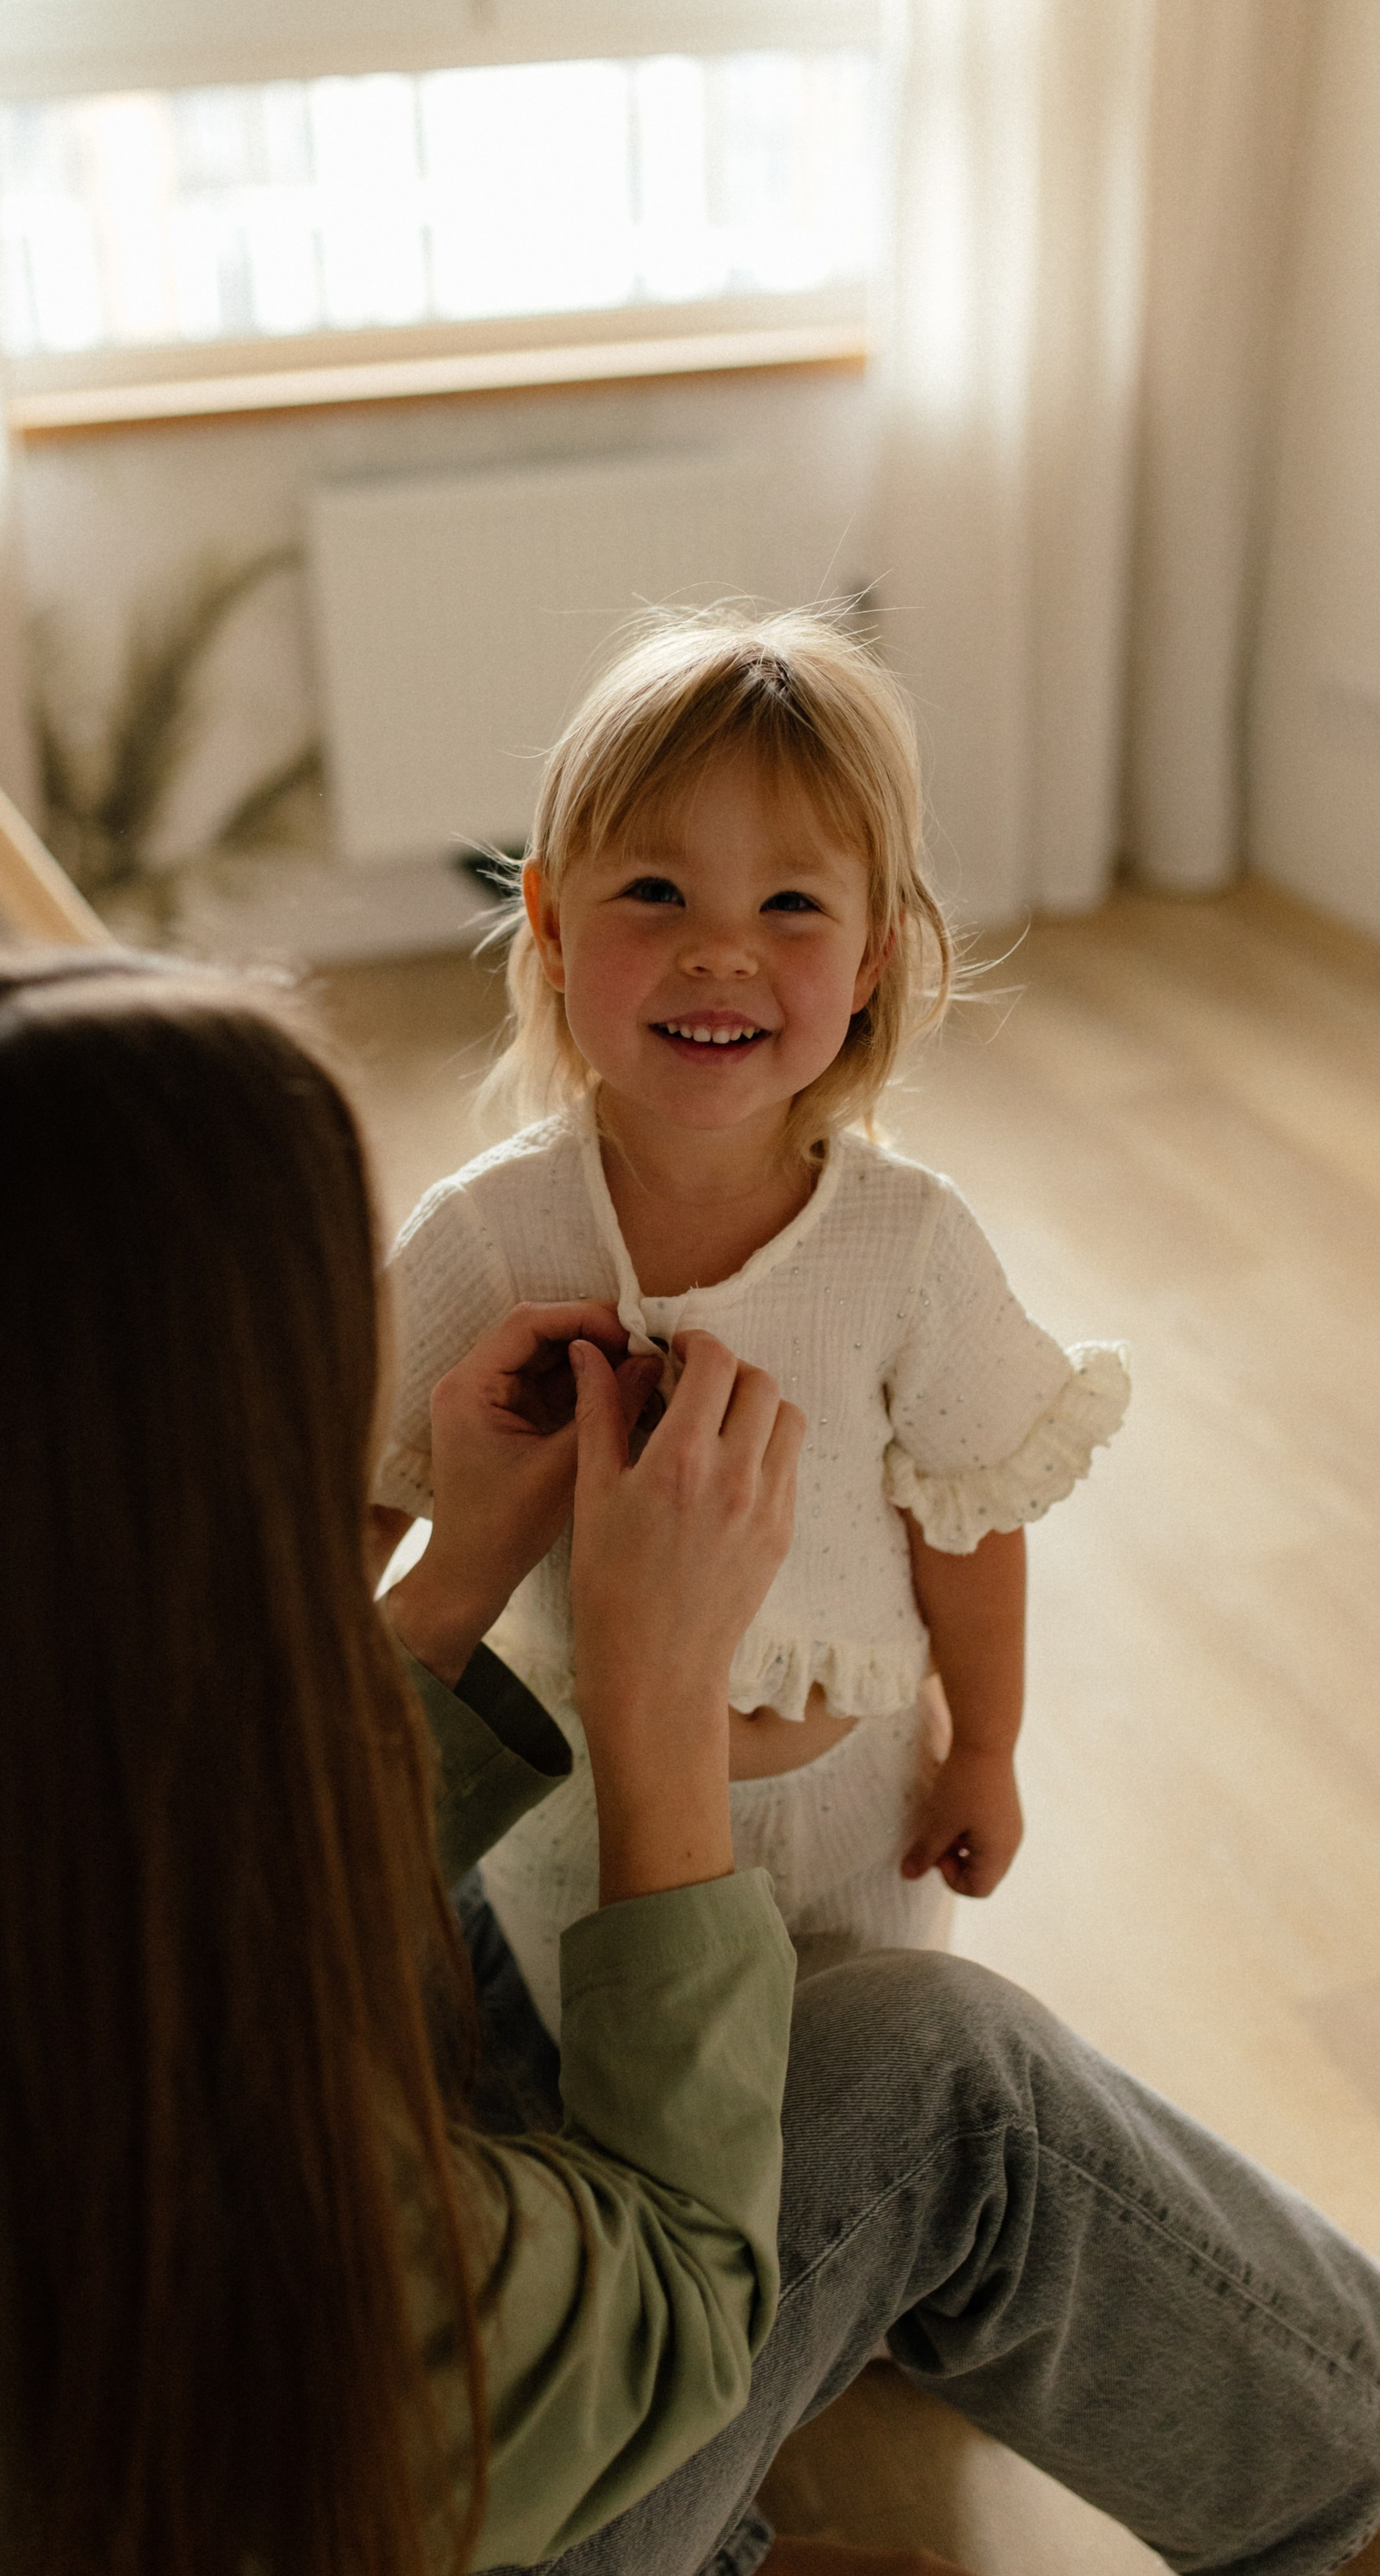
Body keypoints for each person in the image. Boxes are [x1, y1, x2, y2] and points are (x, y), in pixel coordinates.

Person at [0, 954, 1374, 2576]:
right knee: (944, 2075)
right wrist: (655, 1701)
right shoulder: (209, 2203)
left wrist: (453, 1589)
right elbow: (677, 2305)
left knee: (467, 1922)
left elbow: (159, 1895)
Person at [371, 609, 1130, 2036]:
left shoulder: (907, 1243)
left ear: (871, 959)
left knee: (858, 2073)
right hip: (579, 1836)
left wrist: (987, 1746)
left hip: (856, 1813)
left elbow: (966, 1521)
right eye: (655, 891)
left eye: (789, 905)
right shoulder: (490, 1236)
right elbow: (359, 1496)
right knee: (631, 2091)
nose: (719, 953)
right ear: (550, 923)